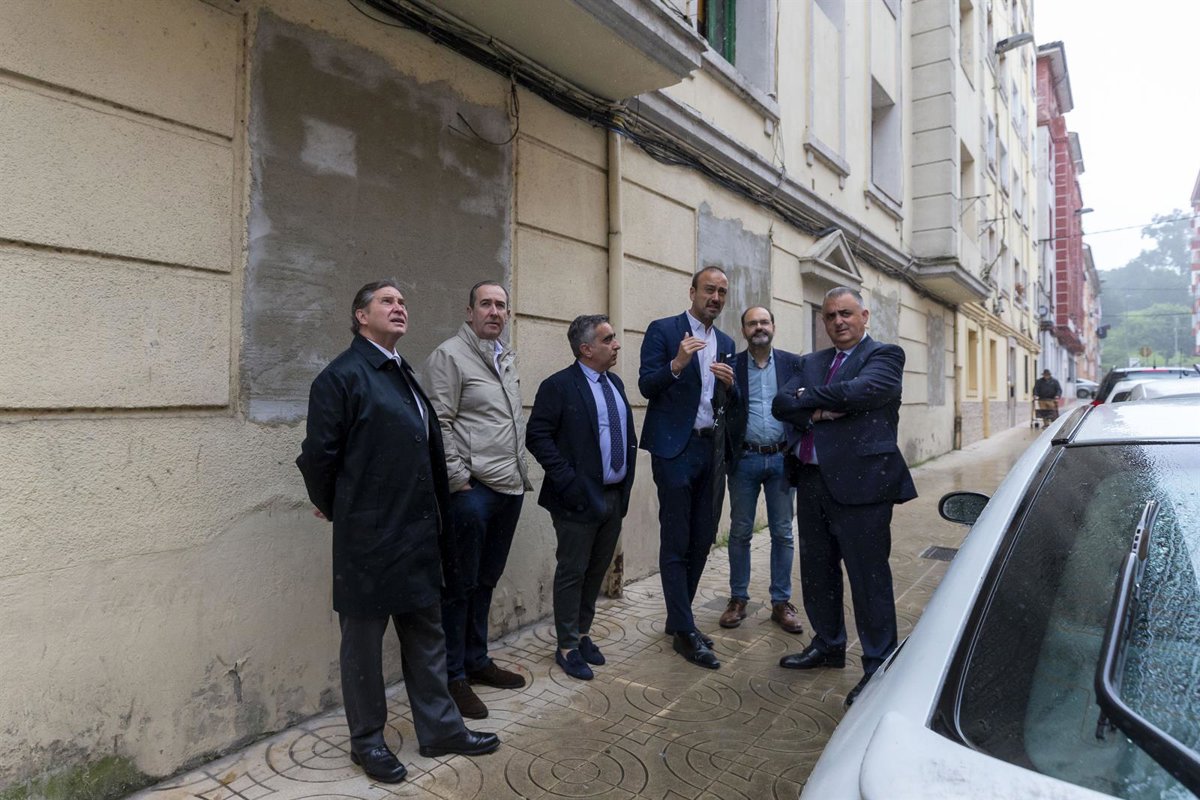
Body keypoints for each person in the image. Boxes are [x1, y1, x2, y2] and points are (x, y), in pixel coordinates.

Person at [296, 280, 499, 784]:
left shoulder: (402, 371)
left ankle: (441, 729)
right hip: (368, 540)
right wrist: (340, 508)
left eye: (403, 301)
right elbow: (318, 458)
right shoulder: (341, 377)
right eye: (387, 301)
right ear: (360, 316)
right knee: (363, 647)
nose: (399, 307)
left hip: (418, 535)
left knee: (427, 634)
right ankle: (367, 742)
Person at [771, 286, 917, 707]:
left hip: (864, 485)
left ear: (864, 316)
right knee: (817, 572)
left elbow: (863, 392)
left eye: (846, 313)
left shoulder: (885, 356)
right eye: (831, 315)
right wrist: (818, 410)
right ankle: (829, 644)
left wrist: (807, 399)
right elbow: (781, 403)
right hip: (812, 481)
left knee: (869, 579)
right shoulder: (811, 362)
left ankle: (877, 666)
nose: (838, 321)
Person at [421, 280, 531, 721]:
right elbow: (438, 422)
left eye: (501, 305)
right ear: (469, 312)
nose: (494, 312)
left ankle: (476, 659)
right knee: (459, 586)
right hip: (472, 493)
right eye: (486, 304)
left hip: (508, 488)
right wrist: (458, 480)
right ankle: (453, 676)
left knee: (485, 580)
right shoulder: (449, 356)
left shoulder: (505, 356)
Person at [525, 315, 638, 681]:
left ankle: (583, 633)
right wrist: (569, 481)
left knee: (595, 571)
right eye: (608, 339)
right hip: (576, 500)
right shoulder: (559, 386)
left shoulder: (614, 382)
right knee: (572, 572)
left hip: (613, 497)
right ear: (586, 349)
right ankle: (567, 646)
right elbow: (537, 435)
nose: (616, 344)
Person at [639, 266, 739, 670]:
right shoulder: (663, 330)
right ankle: (683, 629)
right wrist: (677, 363)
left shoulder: (726, 342)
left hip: (710, 450)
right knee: (677, 540)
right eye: (709, 290)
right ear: (692, 291)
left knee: (703, 539)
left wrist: (731, 387)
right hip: (674, 450)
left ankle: (678, 618)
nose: (715, 298)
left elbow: (729, 404)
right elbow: (647, 386)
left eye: (722, 293)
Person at [720, 306, 805, 634]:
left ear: (773, 326)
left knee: (783, 532)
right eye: (752, 323)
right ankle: (738, 599)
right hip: (744, 460)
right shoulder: (731, 365)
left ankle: (781, 602)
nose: (759, 327)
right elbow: (721, 407)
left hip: (782, 459)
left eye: (764, 321)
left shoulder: (793, 364)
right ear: (744, 330)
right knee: (740, 531)